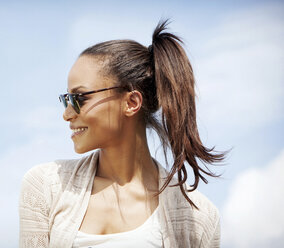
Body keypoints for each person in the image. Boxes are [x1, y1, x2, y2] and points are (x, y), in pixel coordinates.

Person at [19, 20, 226, 248]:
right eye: (66, 100)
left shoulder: (199, 218)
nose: (67, 114)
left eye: (79, 98)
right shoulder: (46, 186)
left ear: (131, 102)